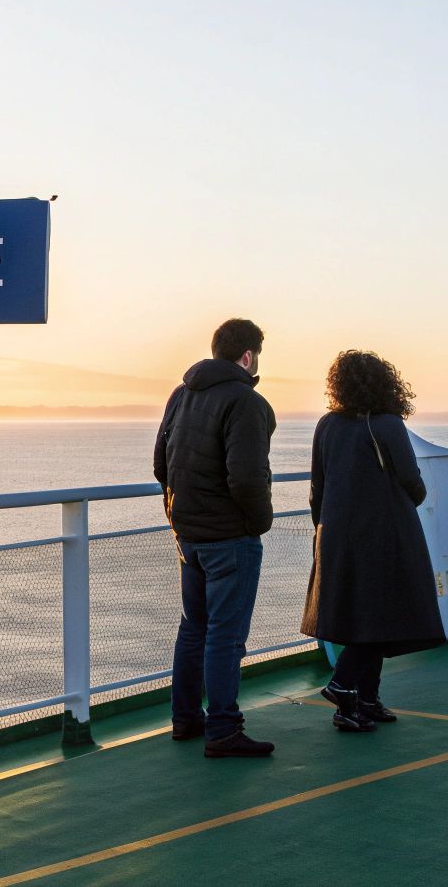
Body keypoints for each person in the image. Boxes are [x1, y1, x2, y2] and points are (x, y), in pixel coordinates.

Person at [300, 350, 446, 732]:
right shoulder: (387, 423)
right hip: (383, 534)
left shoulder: (327, 424)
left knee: (361, 615)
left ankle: (361, 702)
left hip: (334, 534)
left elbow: (317, 486)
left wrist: (323, 527)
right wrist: (413, 499)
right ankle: (342, 685)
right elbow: (411, 479)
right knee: (381, 613)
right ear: (386, 383)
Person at [153, 318, 277, 758]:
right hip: (229, 537)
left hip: (187, 535)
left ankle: (186, 719)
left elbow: (160, 463)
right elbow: (246, 478)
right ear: (248, 356)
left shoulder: (182, 394)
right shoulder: (246, 402)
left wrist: (179, 513)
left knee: (194, 628)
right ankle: (224, 728)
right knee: (226, 634)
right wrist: (259, 522)